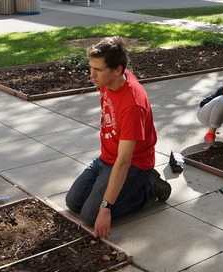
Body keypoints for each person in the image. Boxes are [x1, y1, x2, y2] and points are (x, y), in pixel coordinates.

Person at [65, 36, 171, 239]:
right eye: (91, 67)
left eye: (98, 69)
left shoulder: (132, 105)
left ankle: (148, 188)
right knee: (73, 202)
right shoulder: (110, 79)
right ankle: (118, 192)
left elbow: (124, 162)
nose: (92, 75)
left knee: (90, 215)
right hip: (106, 158)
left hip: (134, 164)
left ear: (118, 70)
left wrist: (105, 208)